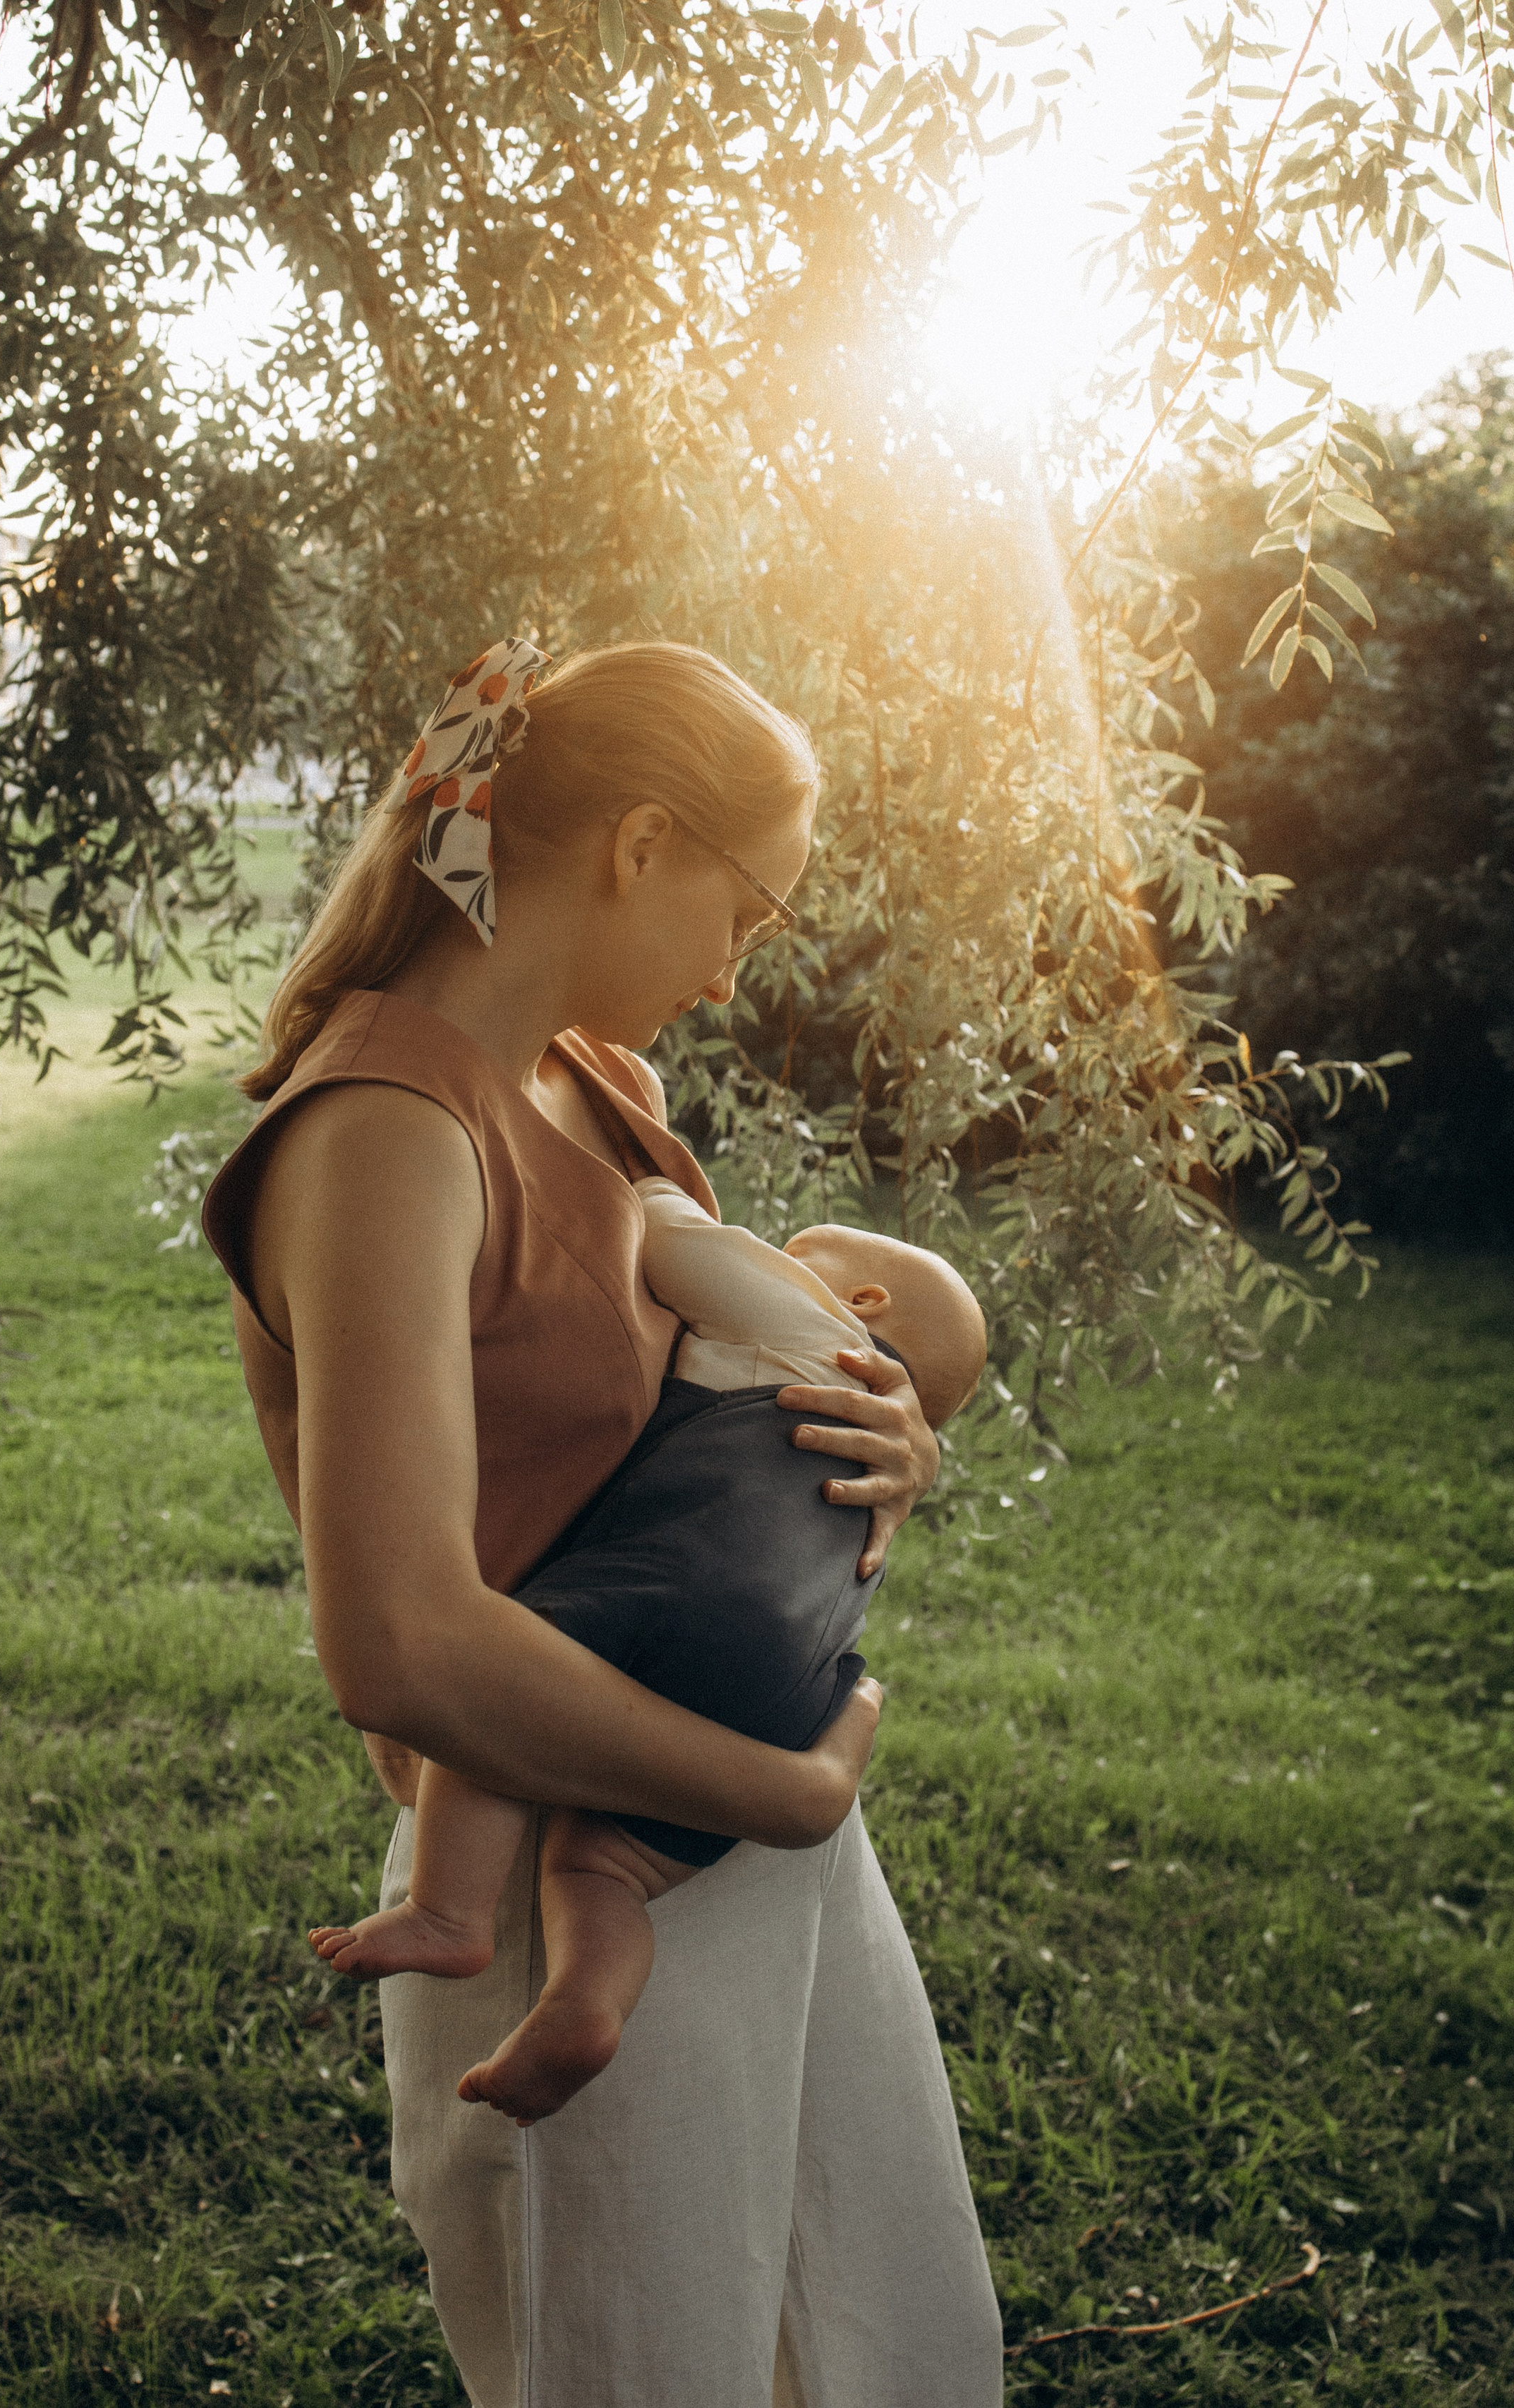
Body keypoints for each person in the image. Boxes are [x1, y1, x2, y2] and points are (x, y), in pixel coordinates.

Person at [202, 639, 1003, 2408]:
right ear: (641, 843)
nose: (738, 971)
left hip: (736, 1861)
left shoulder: (586, 1083)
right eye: (750, 911)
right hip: (567, 1897)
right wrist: (779, 1790)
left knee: (878, 2341)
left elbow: (671, 1405)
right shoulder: (386, 1133)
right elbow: (400, 1638)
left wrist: (877, 1430)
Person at [306, 1187, 988, 2130]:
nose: (774, 1251)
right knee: (606, 1866)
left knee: (499, 1691)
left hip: (684, 1586)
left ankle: (450, 1911)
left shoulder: (813, 1325)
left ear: (861, 1302)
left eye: (798, 1246)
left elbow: (678, 1248)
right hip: (789, 1682)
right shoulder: (874, 1428)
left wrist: (651, 1192)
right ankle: (588, 1999)